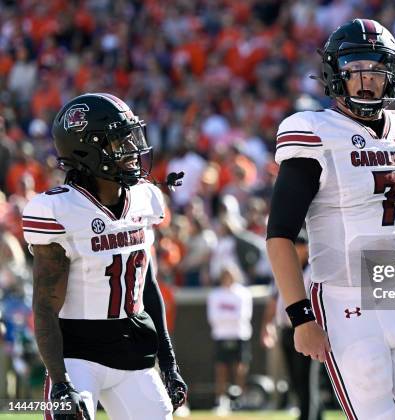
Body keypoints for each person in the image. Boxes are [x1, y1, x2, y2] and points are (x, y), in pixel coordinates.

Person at [266, 19, 395, 420]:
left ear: (391, 75)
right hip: (345, 300)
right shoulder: (314, 131)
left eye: (375, 69)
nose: (365, 81)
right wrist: (300, 315)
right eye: (354, 69)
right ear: (333, 74)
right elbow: (280, 234)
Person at [23, 93, 187, 419]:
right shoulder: (59, 209)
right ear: (87, 149)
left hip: (133, 348)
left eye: (130, 137)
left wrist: (167, 360)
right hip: (78, 354)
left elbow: (147, 285)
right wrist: (59, 381)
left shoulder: (145, 199)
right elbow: (44, 305)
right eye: (118, 141)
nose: (131, 150)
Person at [261, 230, 323, 420]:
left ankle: (307, 416)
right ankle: (315, 415)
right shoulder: (282, 269)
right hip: (286, 329)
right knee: (296, 379)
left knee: (306, 379)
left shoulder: (314, 270)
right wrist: (266, 325)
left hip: (308, 328)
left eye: (298, 246)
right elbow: (273, 301)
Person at [207, 263, 253, 414]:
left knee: (240, 368)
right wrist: (229, 317)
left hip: (240, 335)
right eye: (225, 275)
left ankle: (239, 399)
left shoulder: (243, 293)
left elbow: (243, 316)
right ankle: (221, 400)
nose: (228, 278)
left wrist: (225, 316)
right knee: (221, 368)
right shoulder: (214, 294)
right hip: (221, 336)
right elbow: (213, 317)